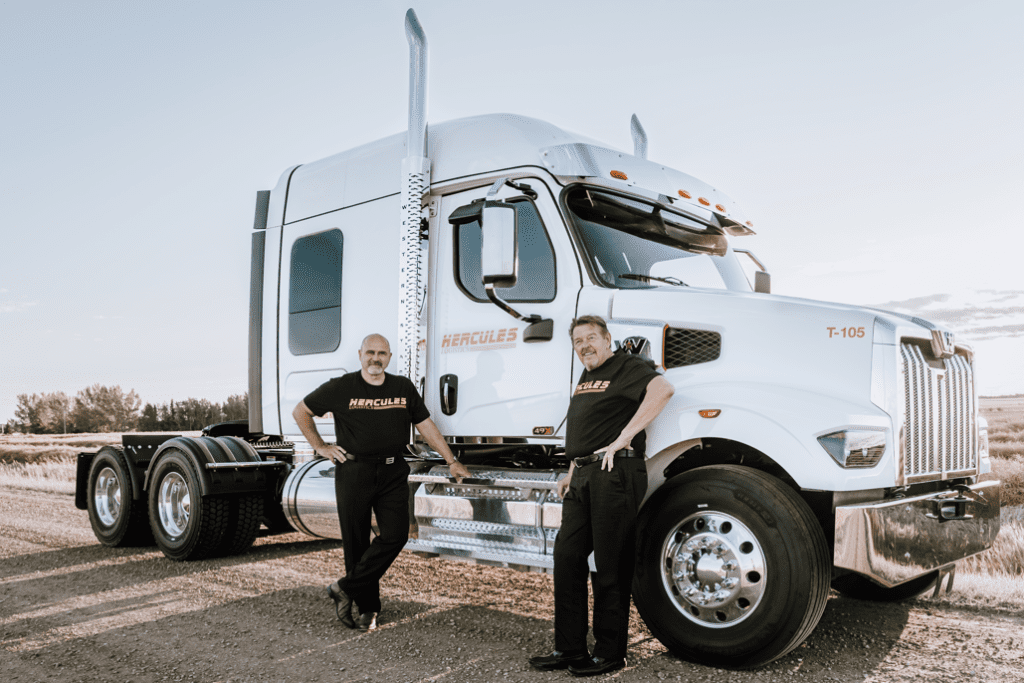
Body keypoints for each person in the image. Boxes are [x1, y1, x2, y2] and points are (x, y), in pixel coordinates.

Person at [293, 333, 471, 630]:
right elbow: (302, 412)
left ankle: (344, 589)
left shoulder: (402, 387)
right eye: (370, 352)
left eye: (382, 353)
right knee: (356, 542)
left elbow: (425, 425)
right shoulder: (342, 386)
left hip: (392, 471)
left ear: (389, 357)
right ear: (360, 354)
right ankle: (367, 609)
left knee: (396, 534)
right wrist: (321, 447)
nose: (376, 358)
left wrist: (451, 460)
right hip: (353, 472)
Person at [530, 315, 675, 677]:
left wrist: (626, 435)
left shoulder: (626, 365)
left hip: (615, 473)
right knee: (567, 559)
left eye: (591, 338)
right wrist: (571, 470)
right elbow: (587, 427)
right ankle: (569, 648)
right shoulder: (586, 376)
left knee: (611, 565)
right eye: (578, 341)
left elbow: (663, 391)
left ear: (607, 339)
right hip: (583, 475)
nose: (584, 346)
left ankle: (611, 653)